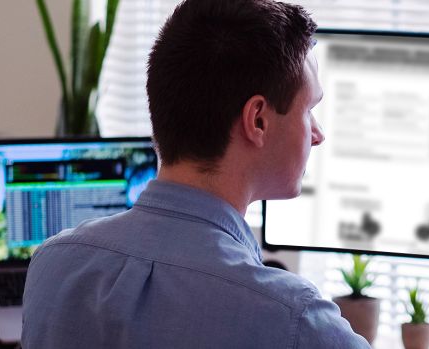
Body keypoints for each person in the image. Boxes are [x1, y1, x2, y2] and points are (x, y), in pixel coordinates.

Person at [21, 0, 370, 347]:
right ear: (258, 120)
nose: (317, 133)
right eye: (308, 109)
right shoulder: (295, 319)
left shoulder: (53, 267)